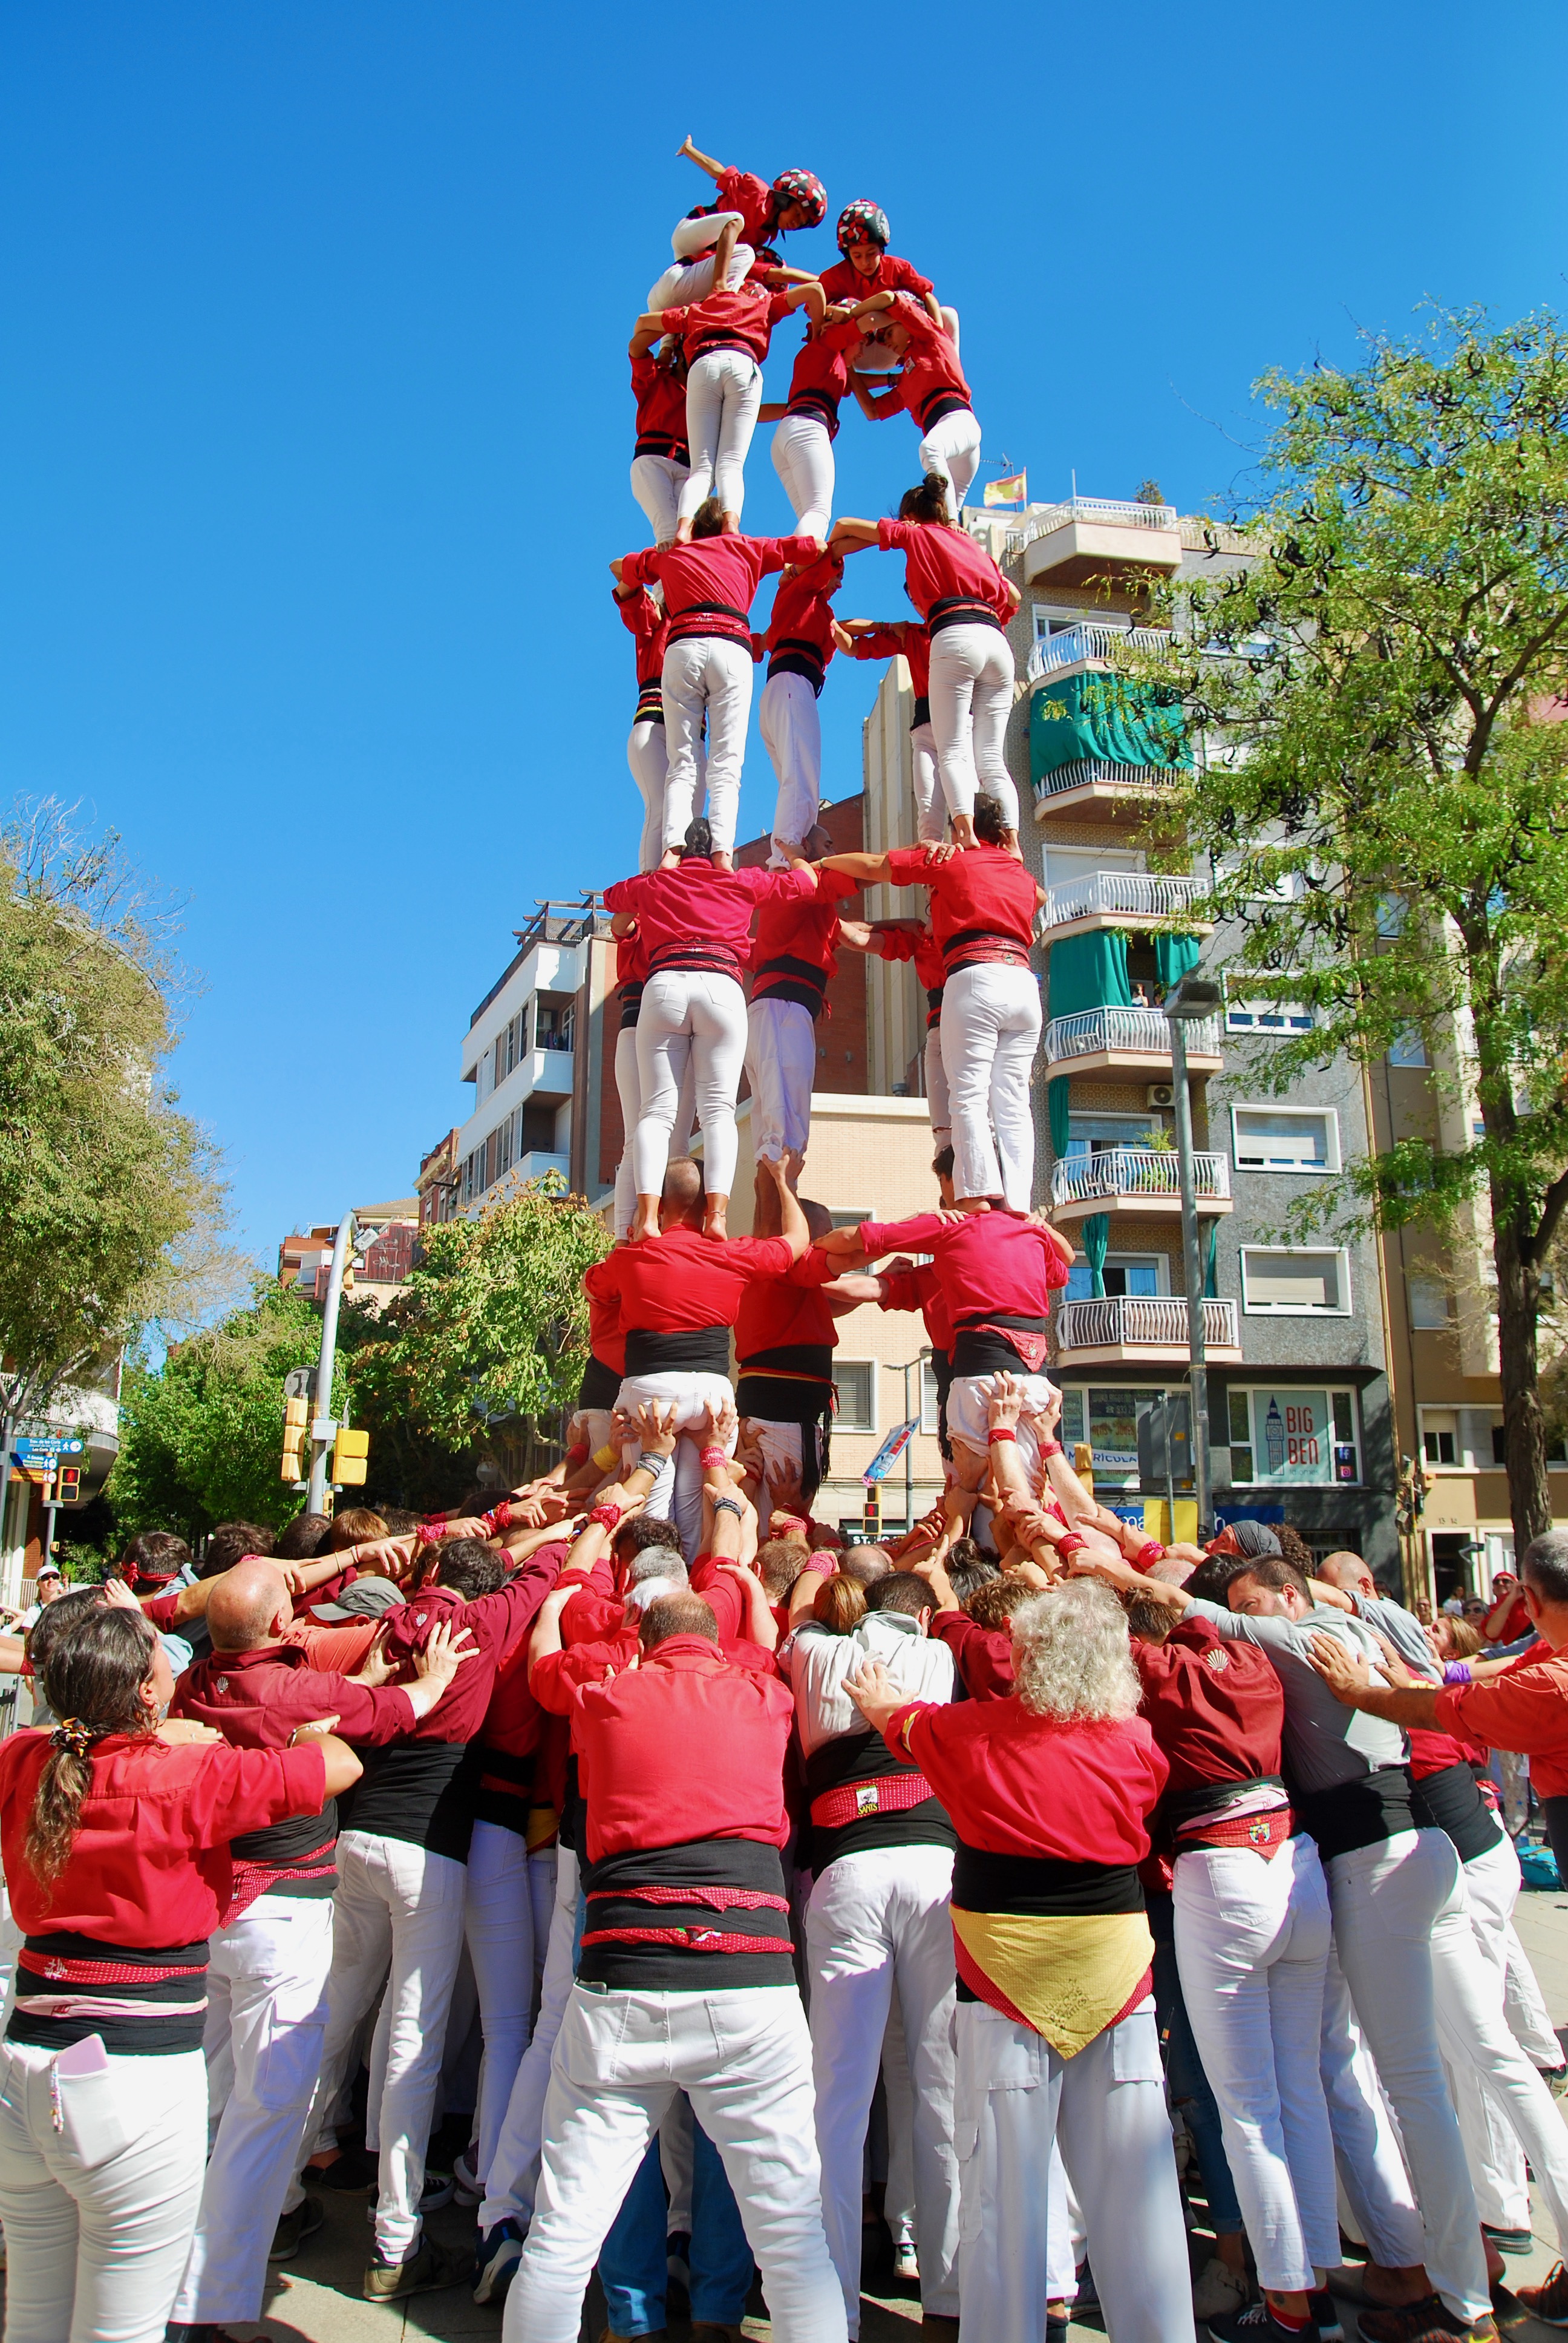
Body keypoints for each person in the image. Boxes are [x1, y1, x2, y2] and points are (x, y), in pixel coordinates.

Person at [1154, 1548, 1496, 2340]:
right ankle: (1413, 2265)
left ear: (1285, 1593)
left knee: (1408, 2087)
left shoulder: (1305, 1632)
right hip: (1406, 1845)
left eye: (1250, 1600)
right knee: (1355, 2075)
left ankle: (1461, 2298)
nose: (1246, 1618)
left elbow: (1170, 1602)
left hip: (1373, 1857)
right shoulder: (1357, 1621)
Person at [844, 1579, 1193, 2343]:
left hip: (1006, 1978)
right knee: (1138, 2187)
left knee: (1000, 2190)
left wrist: (878, 1693)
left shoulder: (975, 1731)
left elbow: (911, 1727)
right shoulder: (1136, 1741)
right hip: (1115, 1973)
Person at [0, 1600, 358, 2343]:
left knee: (34, 2315)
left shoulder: (26, 1759)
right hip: (133, 2073)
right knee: (124, 2326)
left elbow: (57, 1734)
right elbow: (339, 1764)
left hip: (25, 2063)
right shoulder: (187, 1771)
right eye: (167, 1667)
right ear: (147, 1692)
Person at [501, 1589, 848, 2343]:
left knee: (561, 2240)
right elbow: (767, 1643)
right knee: (793, 2244)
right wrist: (751, 1587)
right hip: (750, 1978)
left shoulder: (604, 1699)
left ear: (641, 1640)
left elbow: (545, 1672)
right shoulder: (766, 1695)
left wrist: (561, 1604)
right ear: (714, 1643)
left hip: (622, 1975)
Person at [163, 1558, 474, 2339]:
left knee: (211, 2097)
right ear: (278, 1626)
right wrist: (431, 1678)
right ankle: (214, 2301)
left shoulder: (194, 1685)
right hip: (282, 1914)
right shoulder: (294, 1690)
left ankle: (173, 2264)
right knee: (267, 2109)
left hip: (211, 1912)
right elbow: (399, 1711)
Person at [1305, 1526, 1568, 2328]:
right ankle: (1482, 2253)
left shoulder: (1548, 1679)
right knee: (1488, 2058)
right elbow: (1469, 1671)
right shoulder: (1529, 1657)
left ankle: (1460, 2294)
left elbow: (1450, 1699)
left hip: (1425, 1863)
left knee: (1421, 2079)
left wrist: (1368, 1688)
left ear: (1531, 1596)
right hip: (1445, 1859)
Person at [294, 1537, 566, 2301]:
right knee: (414, 2035)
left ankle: (282, 2184)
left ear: (434, 1575)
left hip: (358, 1835)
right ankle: (395, 2238)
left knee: (335, 2011)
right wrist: (591, 1513)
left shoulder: (393, 1627)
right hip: (429, 1851)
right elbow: (545, 1572)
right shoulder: (487, 1623)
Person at [1079, 1550, 1341, 2343]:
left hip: (1222, 1867)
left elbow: (1092, 1641)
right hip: (1294, 1864)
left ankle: (1292, 2301)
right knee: (1297, 2091)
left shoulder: (1161, 1672)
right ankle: (1319, 2284)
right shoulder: (1257, 1658)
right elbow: (1190, 1610)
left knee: (1247, 2105)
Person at [789, 1571, 961, 2335]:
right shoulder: (937, 1655)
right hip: (933, 1869)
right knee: (942, 2084)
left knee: (837, 2093)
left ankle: (829, 2304)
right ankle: (950, 2295)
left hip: (847, 1871)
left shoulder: (809, 1651)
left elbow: (797, 1616)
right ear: (919, 1613)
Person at [818, 805, 1047, 1208]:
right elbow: (1040, 896)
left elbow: (874, 864)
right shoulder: (1019, 875)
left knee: (969, 1095)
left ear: (964, 827)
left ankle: (976, 1192)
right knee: (1013, 1101)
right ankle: (1019, 1203)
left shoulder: (951, 859)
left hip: (976, 975)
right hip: (1023, 982)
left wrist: (821, 863)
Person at [584, 1155, 808, 1555]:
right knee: (699, 1501)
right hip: (711, 1394)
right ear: (710, 1206)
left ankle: (648, 1591)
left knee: (650, 1510)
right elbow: (796, 1243)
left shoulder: (631, 1258)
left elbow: (592, 1288)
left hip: (652, 1391)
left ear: (658, 1203)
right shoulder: (731, 1254)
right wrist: (781, 1180)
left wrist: (629, 1239)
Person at [604, 825, 818, 1235]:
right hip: (721, 985)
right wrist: (792, 854)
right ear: (723, 851)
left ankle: (648, 1217)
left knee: (656, 1111)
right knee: (718, 1109)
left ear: (680, 852)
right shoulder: (739, 880)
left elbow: (612, 898)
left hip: (665, 982)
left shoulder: (659, 883)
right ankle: (717, 1217)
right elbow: (806, 884)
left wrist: (662, 869)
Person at [611, 512, 825, 859]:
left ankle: (670, 858)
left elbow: (621, 568)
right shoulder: (742, 549)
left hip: (680, 667)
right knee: (722, 766)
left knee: (680, 776)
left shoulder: (673, 565)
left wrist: (668, 548)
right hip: (723, 650)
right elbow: (812, 547)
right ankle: (721, 853)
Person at [831, 474, 1021, 841]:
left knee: (953, 752)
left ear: (910, 517)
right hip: (995, 640)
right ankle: (1012, 844)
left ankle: (965, 839)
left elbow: (844, 526)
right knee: (991, 759)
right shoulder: (971, 546)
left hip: (956, 632)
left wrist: (824, 554)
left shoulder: (917, 535)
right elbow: (1012, 597)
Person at [636, 219, 825, 536]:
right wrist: (818, 333)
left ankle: (683, 530)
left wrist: (670, 341)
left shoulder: (704, 304)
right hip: (742, 363)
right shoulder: (765, 303)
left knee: (702, 469)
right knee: (731, 465)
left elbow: (643, 322)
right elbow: (814, 291)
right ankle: (730, 526)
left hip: (703, 365)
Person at [745, 826, 860, 1171]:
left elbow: (856, 934)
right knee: (784, 1136)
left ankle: (773, 1221)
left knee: (775, 1132)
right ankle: (781, 1221)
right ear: (807, 846)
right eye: (827, 843)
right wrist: (796, 855)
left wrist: (904, 925)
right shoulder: (798, 887)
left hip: (781, 1009)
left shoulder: (808, 901)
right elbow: (863, 875)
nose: (833, 849)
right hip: (784, 1007)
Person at [842, 290, 982, 514]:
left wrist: (852, 315)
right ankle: (951, 529)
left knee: (930, 449)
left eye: (888, 333)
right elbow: (873, 410)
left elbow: (891, 299)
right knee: (939, 518)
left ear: (905, 322)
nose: (886, 343)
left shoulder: (931, 338)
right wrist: (847, 365)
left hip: (958, 421)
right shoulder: (906, 379)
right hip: (948, 434)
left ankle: (953, 523)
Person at [648, 139, 826, 312]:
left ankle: (671, 339)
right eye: (797, 213)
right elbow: (719, 173)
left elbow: (778, 274)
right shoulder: (756, 191)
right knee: (736, 222)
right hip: (691, 232)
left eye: (801, 223)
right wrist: (689, 150)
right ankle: (719, 290)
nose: (796, 223)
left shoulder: (766, 234)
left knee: (674, 309)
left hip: (694, 258)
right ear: (785, 198)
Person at [753, 550, 844, 856]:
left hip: (789, 687)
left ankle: (796, 852)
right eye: (837, 575)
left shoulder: (820, 610)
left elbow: (846, 636)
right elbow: (822, 558)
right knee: (801, 780)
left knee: (800, 782)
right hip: (791, 683)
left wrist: (885, 627)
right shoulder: (800, 589)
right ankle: (785, 859)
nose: (839, 584)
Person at [759, 307, 871, 537]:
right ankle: (794, 569)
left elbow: (858, 384)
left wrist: (894, 379)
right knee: (818, 512)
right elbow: (865, 322)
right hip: (808, 428)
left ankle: (799, 570)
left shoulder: (830, 362)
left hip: (789, 431)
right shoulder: (828, 343)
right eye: (863, 345)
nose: (862, 355)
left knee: (810, 521)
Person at [838, 616, 939, 842]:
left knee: (967, 801)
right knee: (928, 808)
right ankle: (932, 865)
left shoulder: (963, 624)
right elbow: (844, 635)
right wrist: (887, 625)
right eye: (914, 598)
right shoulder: (914, 633)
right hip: (928, 722)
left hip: (957, 719)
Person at [615, 578, 678, 876]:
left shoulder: (701, 627)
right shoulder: (655, 621)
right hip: (654, 724)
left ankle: (673, 882)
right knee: (661, 805)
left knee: (683, 814)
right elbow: (623, 577)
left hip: (688, 734)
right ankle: (649, 888)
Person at [626, 324, 691, 548]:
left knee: (689, 541)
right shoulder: (656, 376)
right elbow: (636, 346)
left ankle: (660, 582)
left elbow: (749, 410)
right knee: (670, 533)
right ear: (680, 348)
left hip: (691, 470)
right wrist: (676, 321)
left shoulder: (709, 390)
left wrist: (797, 408)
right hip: (652, 463)